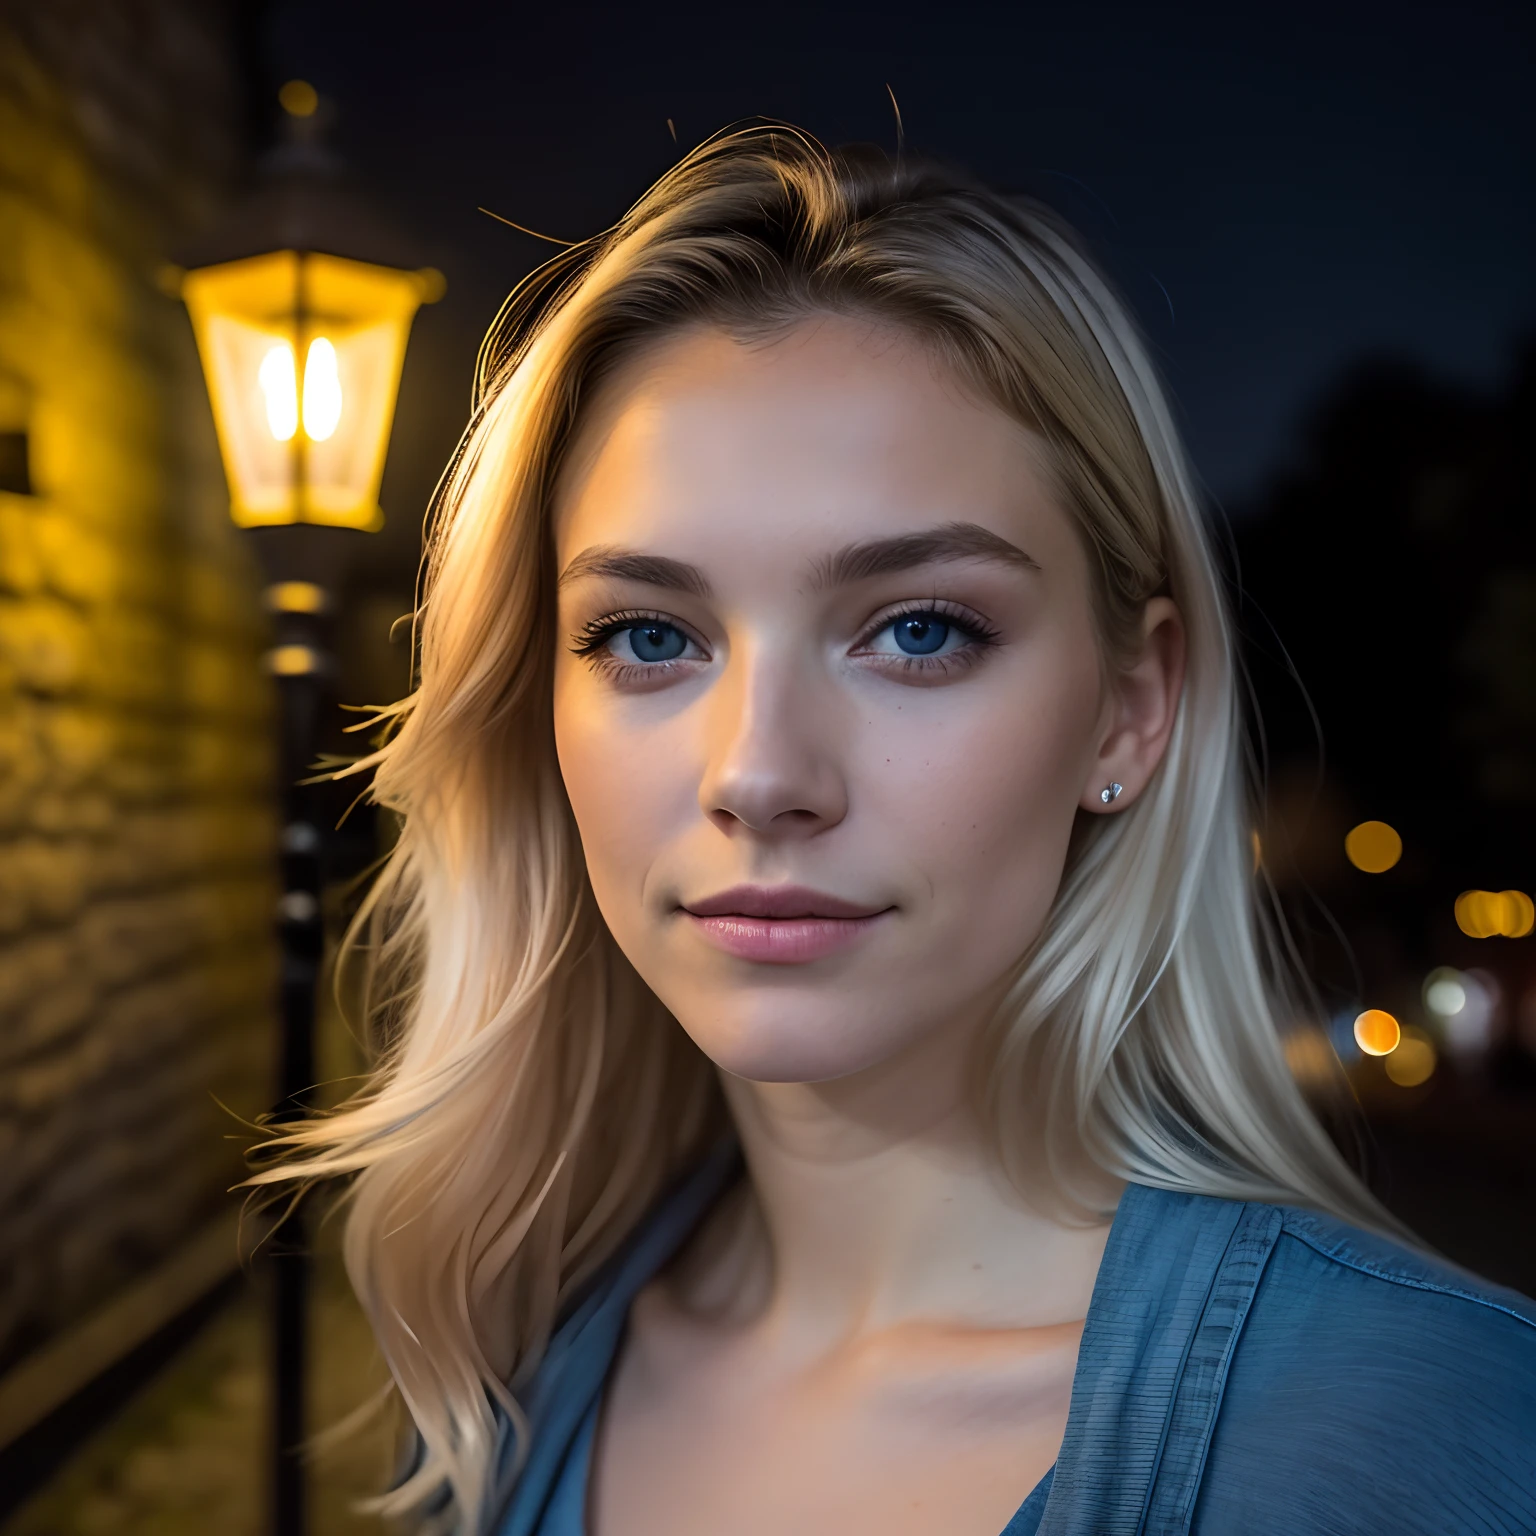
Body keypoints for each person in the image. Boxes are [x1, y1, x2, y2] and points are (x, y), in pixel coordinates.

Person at [256, 126, 1536, 1535]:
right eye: (647, 634)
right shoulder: (522, 1371)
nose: (760, 772)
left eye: (919, 630)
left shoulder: (1435, 1434)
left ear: (1129, 707)